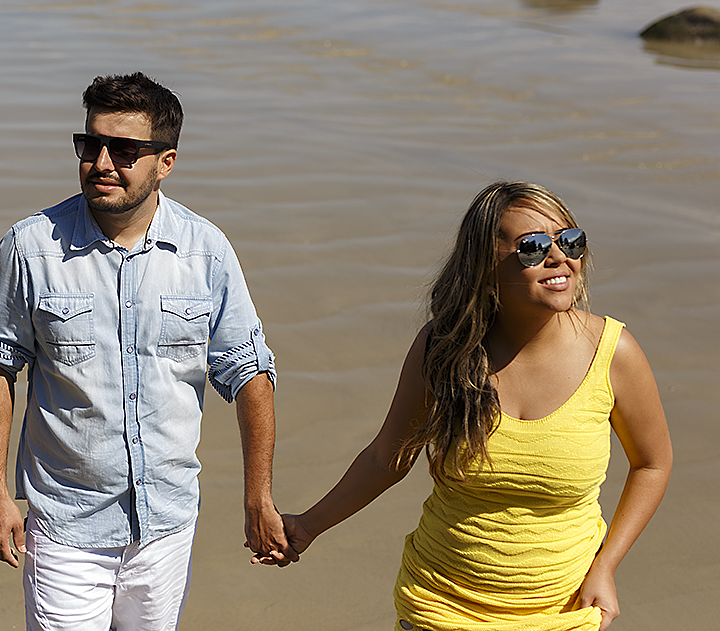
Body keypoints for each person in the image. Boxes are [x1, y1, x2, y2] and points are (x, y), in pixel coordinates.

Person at [0, 72, 289, 631]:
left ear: (166, 161)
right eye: (90, 145)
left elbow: (250, 372)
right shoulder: (30, 247)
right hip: (63, 524)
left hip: (166, 525)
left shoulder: (206, 251)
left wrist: (258, 496)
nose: (102, 162)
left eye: (125, 149)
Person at [271, 181, 672, 631]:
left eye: (571, 241)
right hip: (440, 606)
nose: (560, 258)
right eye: (533, 247)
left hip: (563, 611)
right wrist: (307, 526)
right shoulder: (445, 349)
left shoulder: (613, 353)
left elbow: (652, 465)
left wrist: (607, 566)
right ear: (485, 264)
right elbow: (388, 458)